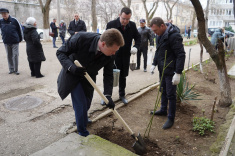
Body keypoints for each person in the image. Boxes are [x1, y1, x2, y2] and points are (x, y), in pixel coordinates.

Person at [56, 28, 124, 137]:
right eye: (113, 50)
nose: (114, 53)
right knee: (80, 104)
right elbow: (60, 52)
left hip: (90, 75)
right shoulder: (81, 38)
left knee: (87, 101)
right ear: (103, 44)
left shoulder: (110, 53)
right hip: (74, 73)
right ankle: (82, 132)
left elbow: (108, 75)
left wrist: (107, 95)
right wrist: (72, 67)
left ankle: (83, 119)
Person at [150, 17, 185, 129]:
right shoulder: (159, 35)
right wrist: (154, 63)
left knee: (171, 94)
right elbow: (158, 50)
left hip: (171, 70)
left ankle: (171, 118)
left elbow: (181, 55)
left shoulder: (174, 36)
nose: (155, 33)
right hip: (162, 69)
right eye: (153, 31)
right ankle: (163, 110)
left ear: (162, 26)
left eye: (156, 30)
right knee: (163, 90)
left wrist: (178, 72)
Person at [101, 7, 141, 105]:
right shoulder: (111, 24)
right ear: (120, 15)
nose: (125, 21)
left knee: (123, 76)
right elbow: (104, 39)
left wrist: (136, 47)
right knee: (109, 75)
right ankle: (107, 96)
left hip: (125, 56)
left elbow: (138, 37)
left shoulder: (132, 25)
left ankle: (122, 95)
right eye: (123, 18)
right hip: (111, 55)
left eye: (128, 19)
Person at [0, 8, 23, 75]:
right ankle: (11, 69)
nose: (3, 15)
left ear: (8, 13)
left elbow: (20, 30)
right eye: (2, 14)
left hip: (15, 41)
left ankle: (16, 70)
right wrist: (3, 36)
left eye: (5, 13)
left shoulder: (14, 20)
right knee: (9, 55)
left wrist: (20, 38)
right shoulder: (1, 21)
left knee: (15, 55)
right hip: (6, 42)